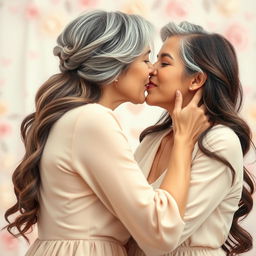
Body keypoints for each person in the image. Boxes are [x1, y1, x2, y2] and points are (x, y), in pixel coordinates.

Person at [3, 11, 210, 256]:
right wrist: (184, 142)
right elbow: (160, 231)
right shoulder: (93, 121)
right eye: (146, 60)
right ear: (117, 65)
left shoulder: (77, 118)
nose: (151, 71)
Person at [127, 21, 255, 256]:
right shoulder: (152, 140)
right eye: (154, 60)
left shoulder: (219, 142)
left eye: (164, 62)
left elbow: (163, 235)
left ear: (196, 80)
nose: (151, 70)